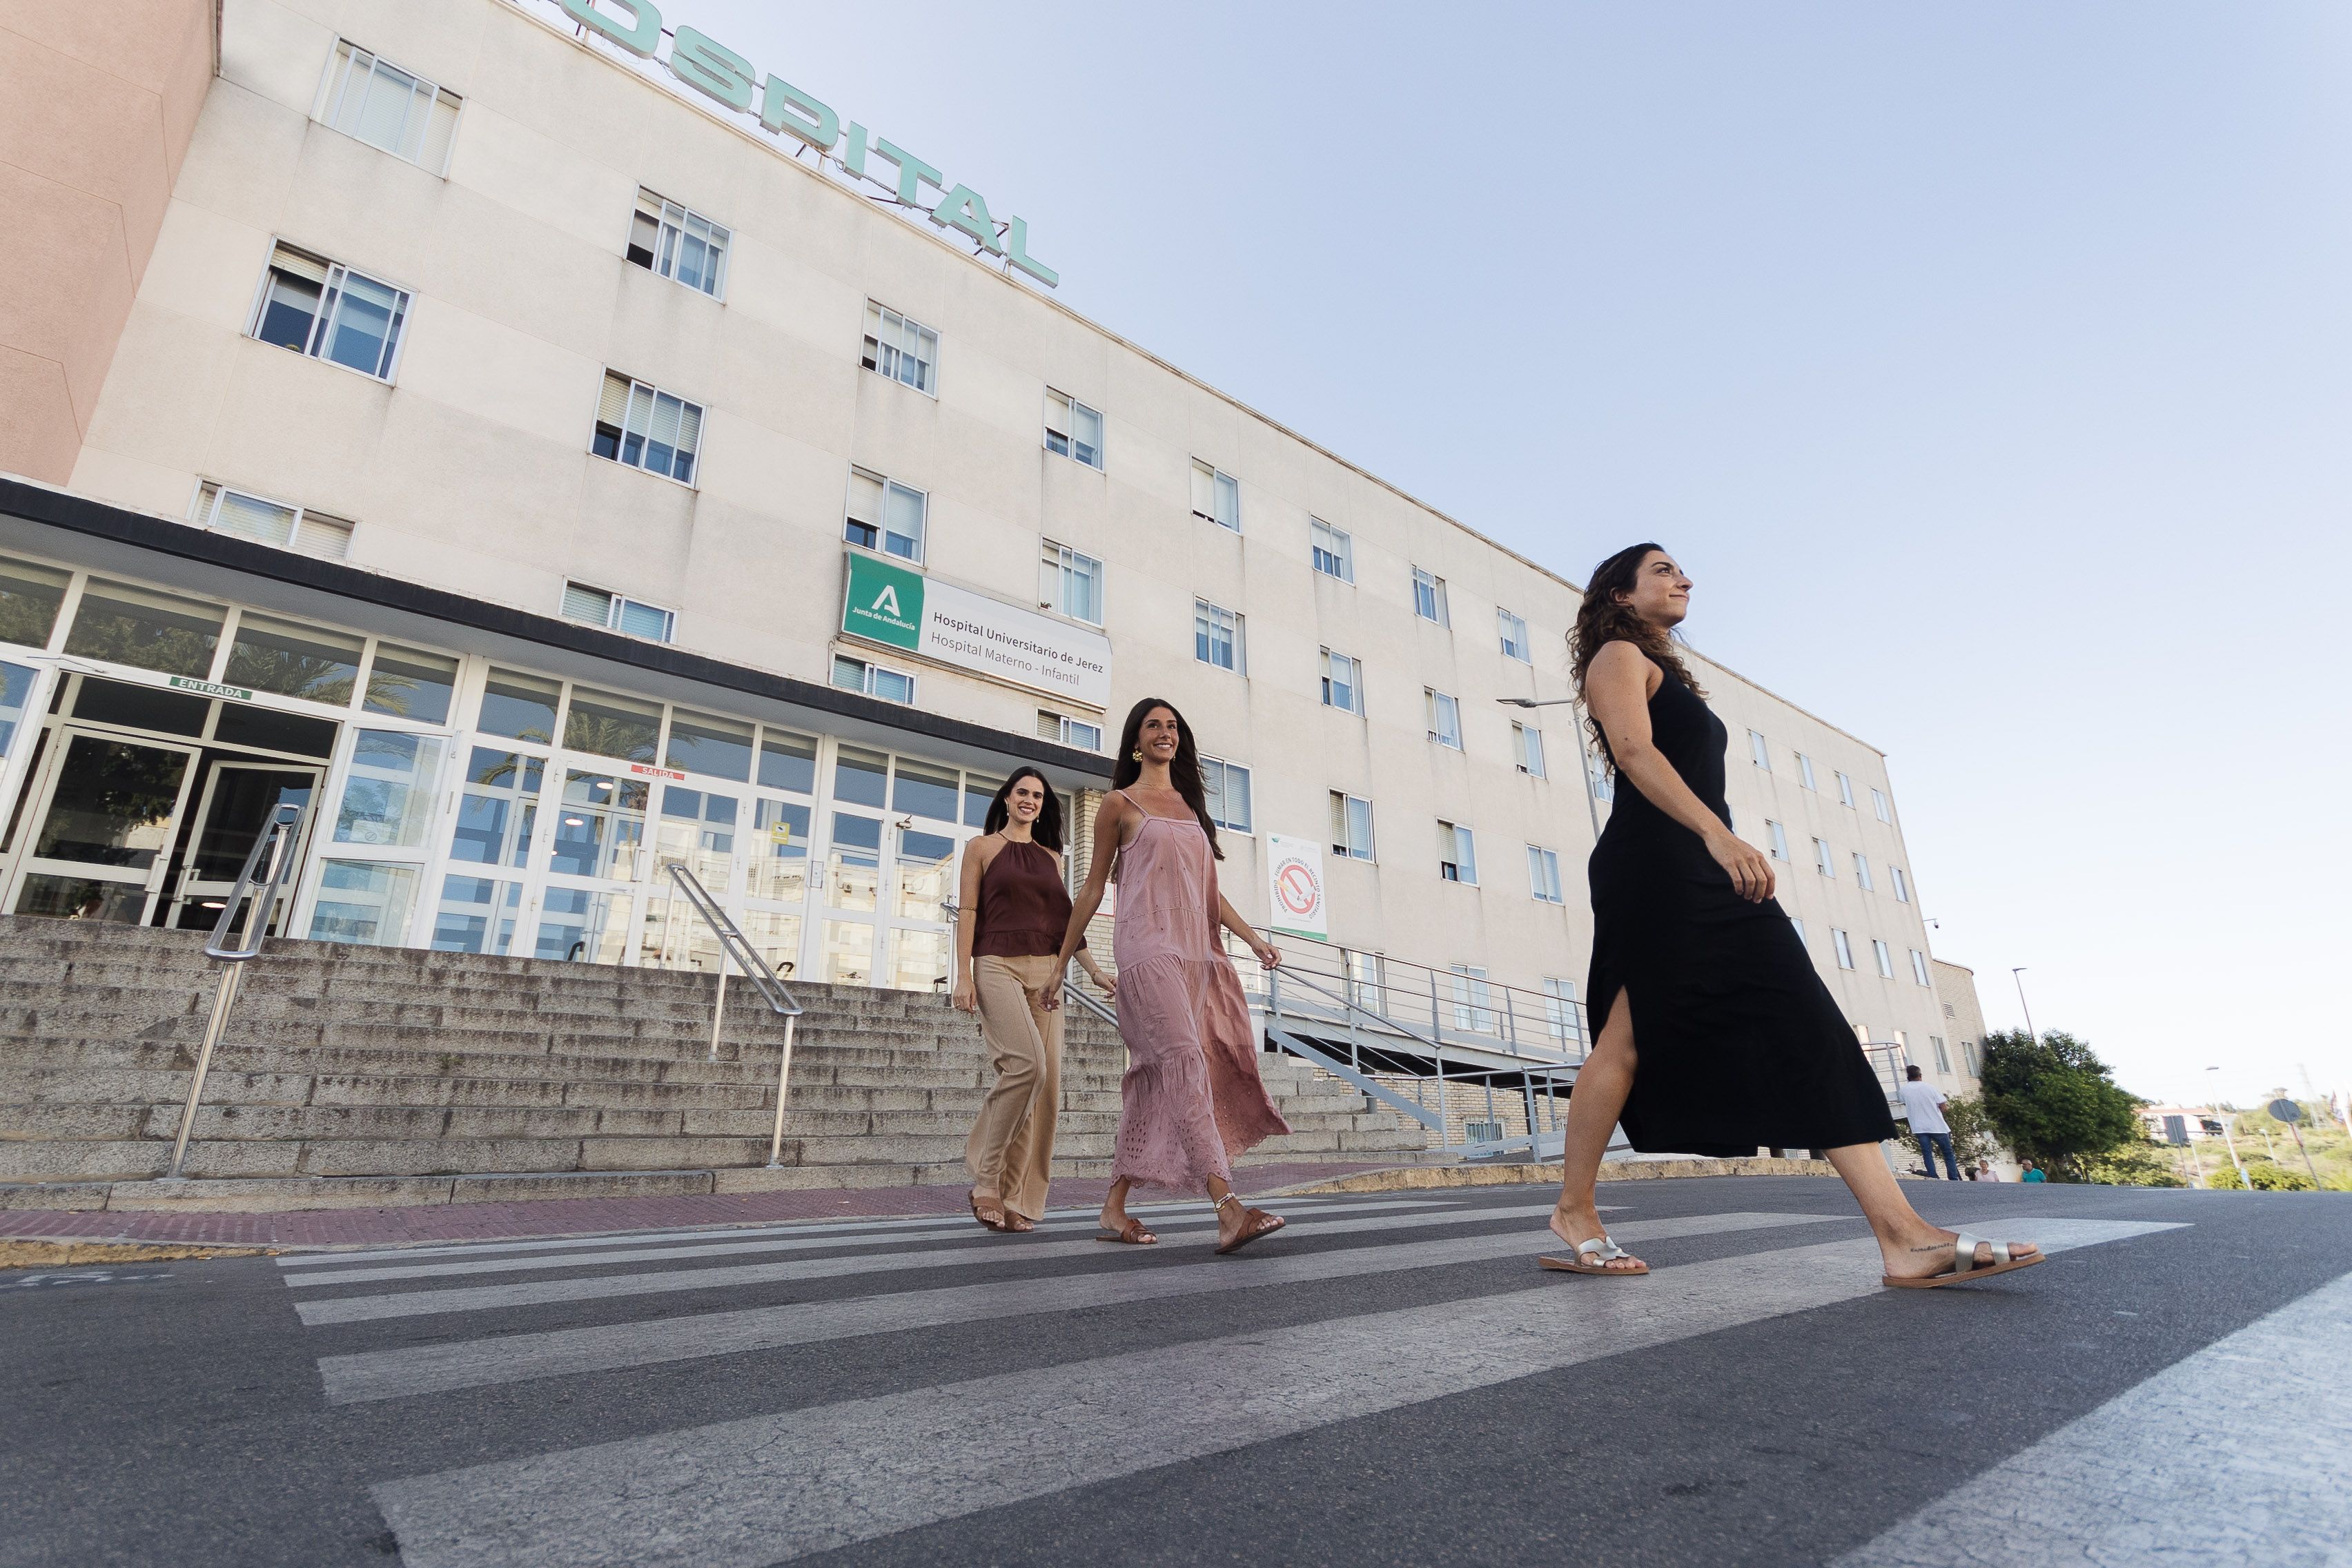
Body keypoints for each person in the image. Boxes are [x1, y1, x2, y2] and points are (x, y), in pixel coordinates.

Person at [1544, 545, 2044, 1288]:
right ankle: (1575, 1212)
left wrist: (1714, 840)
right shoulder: (1616, 654)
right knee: (1629, 1039)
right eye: (1663, 571)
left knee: (1791, 1022)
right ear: (1619, 596)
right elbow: (1632, 751)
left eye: (1682, 570)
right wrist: (1717, 833)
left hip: (1695, 863)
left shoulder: (1665, 670)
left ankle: (1903, 1235)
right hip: (1660, 865)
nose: (1685, 578)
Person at [1049, 698, 1292, 1254]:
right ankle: (1227, 1207)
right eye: (1153, 725)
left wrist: (1253, 939)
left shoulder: (1189, 807)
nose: (1165, 732)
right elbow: (1092, 887)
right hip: (1146, 952)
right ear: (1136, 740)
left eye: (1172, 726)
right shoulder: (1119, 803)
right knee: (1185, 1062)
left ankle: (1113, 1208)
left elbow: (1208, 891)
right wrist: (1062, 965)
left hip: (1194, 955)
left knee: (1159, 1081)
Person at [952, 767, 1114, 1234]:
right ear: (1006, 799)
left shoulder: (1051, 857)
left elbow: (1064, 924)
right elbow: (969, 911)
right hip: (996, 965)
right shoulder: (980, 849)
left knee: (1045, 1090)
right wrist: (964, 974)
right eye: (1021, 792)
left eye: (1037, 796)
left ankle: (1016, 1197)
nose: (1029, 800)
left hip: (1046, 972)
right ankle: (986, 1180)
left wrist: (1096, 971)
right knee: (1026, 1066)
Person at [1898, 1065, 1962, 1180]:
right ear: (1920, 1075)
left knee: (1927, 1153)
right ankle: (1953, 1177)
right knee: (1948, 1153)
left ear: (1908, 1076)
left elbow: (1904, 1103)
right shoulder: (1930, 1088)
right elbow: (1943, 1106)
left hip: (1919, 1127)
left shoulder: (1903, 1091)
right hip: (1937, 1126)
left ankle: (1933, 1176)